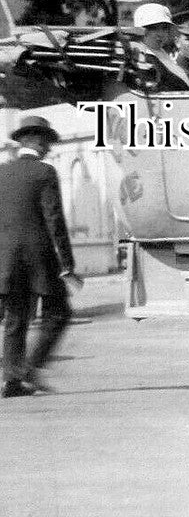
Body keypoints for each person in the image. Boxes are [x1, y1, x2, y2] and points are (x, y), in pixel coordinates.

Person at [0, 116, 76, 397]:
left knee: (15, 318)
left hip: (6, 259)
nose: (49, 149)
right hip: (39, 259)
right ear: (39, 141)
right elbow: (53, 219)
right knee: (59, 313)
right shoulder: (44, 172)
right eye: (48, 143)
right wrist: (67, 264)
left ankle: (12, 380)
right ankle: (30, 368)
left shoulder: (2, 172)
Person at [132, 2, 189, 91]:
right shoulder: (141, 57)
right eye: (153, 28)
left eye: (164, 28)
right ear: (140, 30)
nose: (161, 34)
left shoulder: (162, 54)